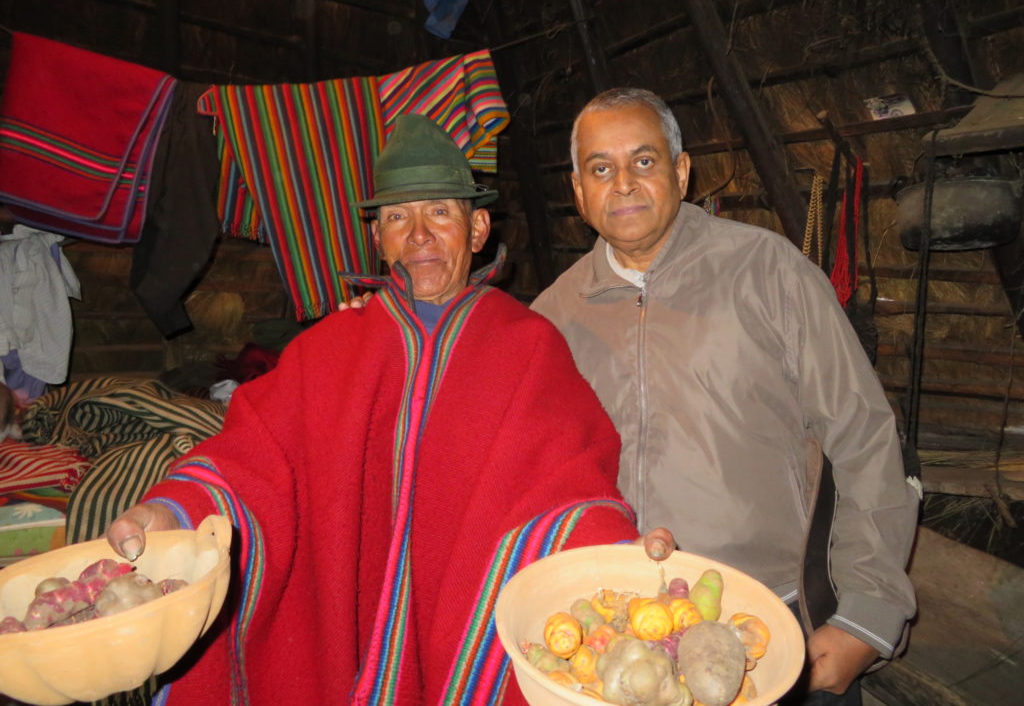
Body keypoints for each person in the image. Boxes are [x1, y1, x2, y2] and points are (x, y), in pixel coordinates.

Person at [106, 113, 667, 706]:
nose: (419, 235)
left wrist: (615, 563)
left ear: (477, 229)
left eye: (440, 213)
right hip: (338, 646)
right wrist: (173, 507)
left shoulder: (529, 345)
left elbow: (569, 486)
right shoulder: (325, 349)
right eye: (398, 217)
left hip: (465, 634)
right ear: (377, 237)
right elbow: (252, 456)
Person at [530, 88, 920, 704]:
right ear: (578, 192)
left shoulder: (768, 272)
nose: (624, 184)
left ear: (682, 172)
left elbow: (863, 434)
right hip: (618, 638)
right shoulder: (550, 319)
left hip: (774, 621)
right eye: (601, 169)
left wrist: (869, 613)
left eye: (644, 161)